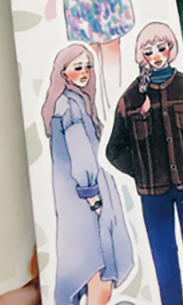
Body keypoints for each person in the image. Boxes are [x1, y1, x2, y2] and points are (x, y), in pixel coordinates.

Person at [106, 23, 183, 305]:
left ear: (171, 49)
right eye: (149, 51)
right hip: (152, 193)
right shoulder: (131, 97)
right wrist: (142, 171)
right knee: (163, 257)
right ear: (141, 55)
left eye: (161, 48)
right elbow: (113, 150)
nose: (156, 56)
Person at [41, 46, 133, 305]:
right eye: (77, 67)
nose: (84, 72)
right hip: (87, 201)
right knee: (98, 273)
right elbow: (80, 153)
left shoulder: (77, 101)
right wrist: (91, 194)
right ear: (63, 73)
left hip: (81, 199)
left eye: (88, 66)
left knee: (95, 271)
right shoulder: (69, 105)